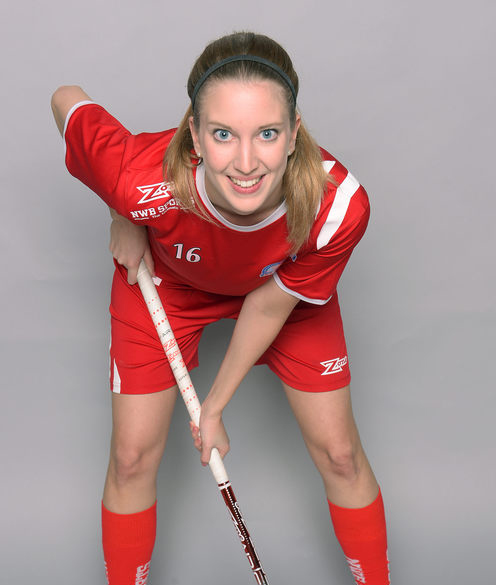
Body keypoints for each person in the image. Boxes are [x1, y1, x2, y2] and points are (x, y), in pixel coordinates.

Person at [51, 31, 390, 585]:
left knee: (341, 455)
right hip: (169, 287)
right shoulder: (139, 178)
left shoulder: (338, 206)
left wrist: (212, 407)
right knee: (131, 459)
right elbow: (65, 96)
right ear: (195, 135)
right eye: (224, 134)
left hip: (281, 294)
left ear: (294, 134)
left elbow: (268, 307)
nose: (246, 162)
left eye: (268, 133)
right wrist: (121, 210)